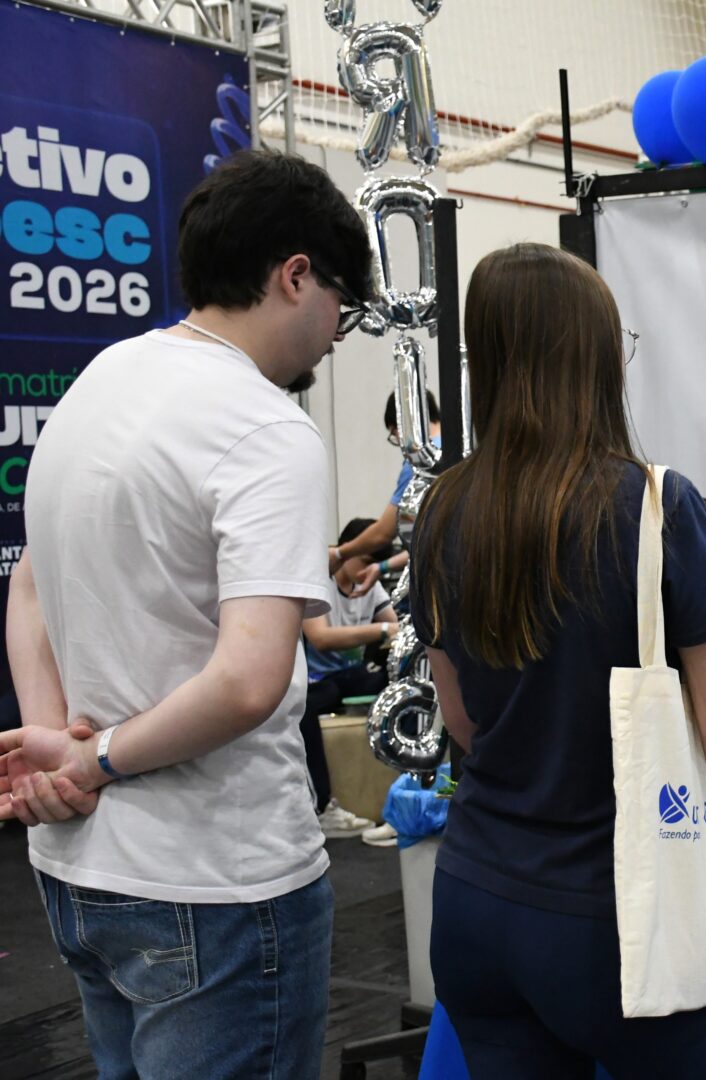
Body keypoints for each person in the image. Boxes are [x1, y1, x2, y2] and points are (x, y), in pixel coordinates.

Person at [0, 150, 373, 1077]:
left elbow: (30, 585)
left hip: (81, 869)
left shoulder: (101, 380)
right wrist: (89, 758)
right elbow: (248, 682)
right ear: (296, 276)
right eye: (344, 304)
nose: (338, 333)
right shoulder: (266, 427)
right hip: (218, 882)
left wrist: (57, 748)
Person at [409, 243, 706, 1077]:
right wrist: (680, 835)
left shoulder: (443, 509)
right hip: (615, 914)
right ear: (596, 357)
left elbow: (460, 717)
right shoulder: (653, 504)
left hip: (475, 902)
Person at [301, 517, 398, 838]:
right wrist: (382, 630)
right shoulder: (318, 581)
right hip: (316, 682)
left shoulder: (369, 584)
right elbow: (321, 638)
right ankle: (323, 806)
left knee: (401, 682)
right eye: (365, 561)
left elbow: (397, 627)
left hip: (351, 678)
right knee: (309, 702)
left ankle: (410, 796)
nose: (367, 572)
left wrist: (394, 631)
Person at [331, 390, 443, 577]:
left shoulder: (420, 463)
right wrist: (381, 567)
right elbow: (431, 543)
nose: (400, 444)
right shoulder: (463, 446)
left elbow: (383, 533)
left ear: (403, 424)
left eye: (395, 435)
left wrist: (340, 553)